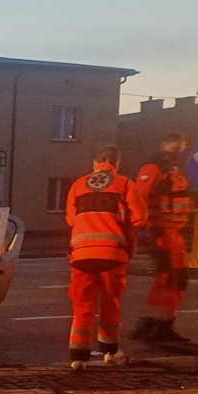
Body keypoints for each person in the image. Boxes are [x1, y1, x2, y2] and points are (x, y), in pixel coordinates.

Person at [65, 146, 147, 370]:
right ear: (117, 164)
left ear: (95, 164)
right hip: (112, 253)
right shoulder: (124, 183)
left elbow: (71, 219)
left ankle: (78, 357)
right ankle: (109, 352)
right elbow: (140, 218)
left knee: (82, 306)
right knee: (111, 303)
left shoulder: (77, 185)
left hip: (81, 255)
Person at [132, 132, 193, 342]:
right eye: (178, 148)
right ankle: (156, 324)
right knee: (168, 278)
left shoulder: (174, 169)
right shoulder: (154, 167)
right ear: (167, 146)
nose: (181, 152)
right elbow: (138, 198)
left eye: (182, 149)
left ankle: (161, 323)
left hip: (174, 233)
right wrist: (144, 229)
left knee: (179, 278)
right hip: (160, 232)